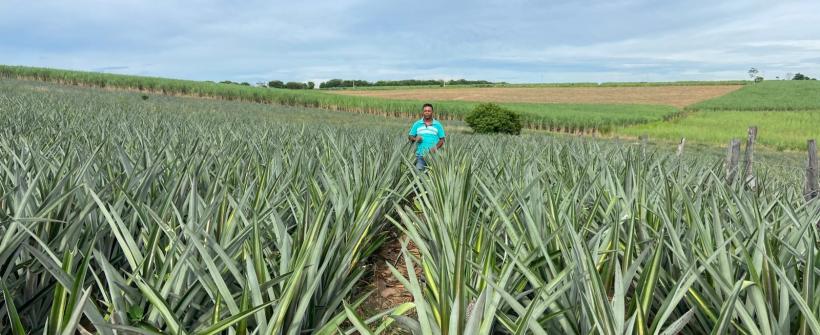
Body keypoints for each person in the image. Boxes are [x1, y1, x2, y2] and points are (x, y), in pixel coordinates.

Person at [408, 103, 445, 172]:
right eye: (425, 111)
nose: (427, 112)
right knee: (419, 174)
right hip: (420, 155)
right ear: (423, 112)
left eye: (429, 111)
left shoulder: (438, 125)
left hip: (434, 156)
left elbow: (442, 140)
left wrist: (435, 148)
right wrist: (415, 139)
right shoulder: (417, 124)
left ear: (432, 112)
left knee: (432, 176)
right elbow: (410, 136)